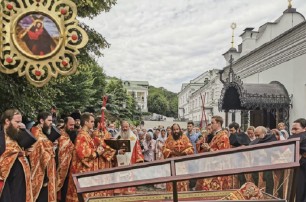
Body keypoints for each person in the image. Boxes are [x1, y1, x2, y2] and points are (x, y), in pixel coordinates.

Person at [0, 109, 33, 202]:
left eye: (21, 122)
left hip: (21, 182)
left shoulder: (16, 136)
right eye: (17, 122)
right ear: (7, 121)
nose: (20, 124)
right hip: (6, 183)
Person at [196, 116, 233, 191]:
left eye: (212, 123)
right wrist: (205, 147)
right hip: (212, 167)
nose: (211, 125)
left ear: (218, 123)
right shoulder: (215, 136)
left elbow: (223, 154)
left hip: (218, 168)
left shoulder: (223, 136)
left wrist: (209, 149)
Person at [29, 111, 57, 202]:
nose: (51, 123)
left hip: (47, 171)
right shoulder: (36, 133)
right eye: (49, 120)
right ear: (41, 120)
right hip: (41, 172)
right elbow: (40, 154)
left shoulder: (42, 132)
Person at [113, 121, 144, 195]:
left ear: (129, 127)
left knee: (129, 176)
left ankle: (128, 190)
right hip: (119, 162)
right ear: (121, 127)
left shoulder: (133, 137)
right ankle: (118, 190)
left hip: (130, 162)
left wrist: (139, 160)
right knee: (119, 176)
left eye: (126, 127)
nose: (125, 128)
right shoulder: (117, 137)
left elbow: (138, 149)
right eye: (123, 127)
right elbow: (113, 149)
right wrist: (117, 152)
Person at [163, 123, 194, 192]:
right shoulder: (169, 139)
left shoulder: (185, 138)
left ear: (180, 129)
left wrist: (184, 152)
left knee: (182, 182)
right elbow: (164, 149)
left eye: (177, 129)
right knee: (172, 183)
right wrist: (171, 152)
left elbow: (191, 148)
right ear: (172, 130)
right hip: (172, 164)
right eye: (174, 130)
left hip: (182, 164)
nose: (175, 131)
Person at [56, 117, 76, 202]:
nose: (72, 127)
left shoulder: (70, 134)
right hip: (60, 166)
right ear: (65, 124)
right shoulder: (59, 134)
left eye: (73, 125)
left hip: (69, 166)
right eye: (70, 125)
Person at [289, 118, 306, 202]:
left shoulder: (303, 136)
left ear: (305, 128)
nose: (293, 132)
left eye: (296, 129)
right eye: (292, 129)